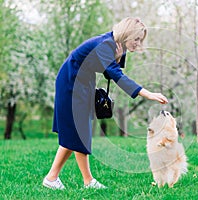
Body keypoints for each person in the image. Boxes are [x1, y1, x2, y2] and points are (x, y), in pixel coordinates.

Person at [43, 17, 168, 190]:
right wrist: (148, 94)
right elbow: (118, 77)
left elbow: (111, 72)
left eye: (141, 40)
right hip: (71, 82)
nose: (138, 44)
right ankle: (87, 181)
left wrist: (117, 59)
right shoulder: (106, 45)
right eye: (137, 39)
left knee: (76, 132)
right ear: (127, 34)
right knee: (79, 132)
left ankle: (52, 177)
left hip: (84, 83)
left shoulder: (117, 47)